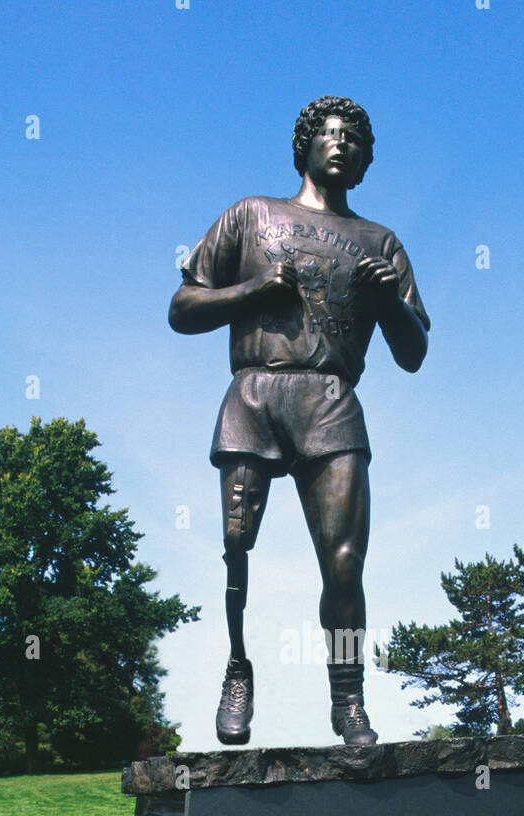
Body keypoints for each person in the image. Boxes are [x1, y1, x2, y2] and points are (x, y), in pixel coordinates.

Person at [168, 95, 429, 745]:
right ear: (306, 145)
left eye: (354, 141)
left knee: (343, 563)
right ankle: (237, 669)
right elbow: (183, 307)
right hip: (255, 392)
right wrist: (255, 290)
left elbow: (414, 352)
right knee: (236, 548)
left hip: (330, 401)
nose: (341, 145)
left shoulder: (380, 242)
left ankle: (348, 702)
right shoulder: (251, 215)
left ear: (365, 160)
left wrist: (386, 300)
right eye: (330, 134)